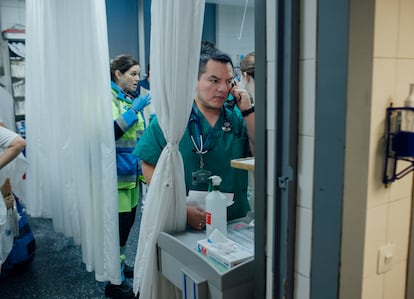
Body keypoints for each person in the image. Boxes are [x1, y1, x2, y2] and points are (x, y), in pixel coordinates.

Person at [134, 47, 255, 231]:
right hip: (185, 219)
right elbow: (149, 165)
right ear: (194, 81)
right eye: (214, 80)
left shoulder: (238, 119)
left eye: (229, 81)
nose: (223, 88)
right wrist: (179, 209)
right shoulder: (172, 122)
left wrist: (248, 111)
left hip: (233, 219)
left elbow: (259, 155)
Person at [106, 54, 151, 299]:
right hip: (117, 177)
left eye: (138, 74)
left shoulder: (125, 98)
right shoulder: (109, 98)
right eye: (133, 73)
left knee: (126, 227)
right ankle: (114, 282)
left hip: (131, 176)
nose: (137, 78)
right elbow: (110, 131)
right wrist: (136, 109)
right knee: (119, 230)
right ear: (118, 74)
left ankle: (120, 266)